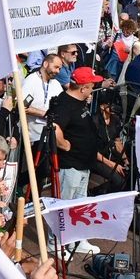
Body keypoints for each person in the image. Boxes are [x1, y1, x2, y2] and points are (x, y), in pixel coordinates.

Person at [47, 67, 104, 250]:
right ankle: (55, 242)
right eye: (91, 86)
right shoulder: (65, 104)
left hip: (83, 164)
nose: (93, 89)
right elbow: (54, 128)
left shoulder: (78, 100)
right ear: (83, 88)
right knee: (63, 206)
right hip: (70, 165)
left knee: (79, 206)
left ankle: (77, 241)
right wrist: (65, 144)